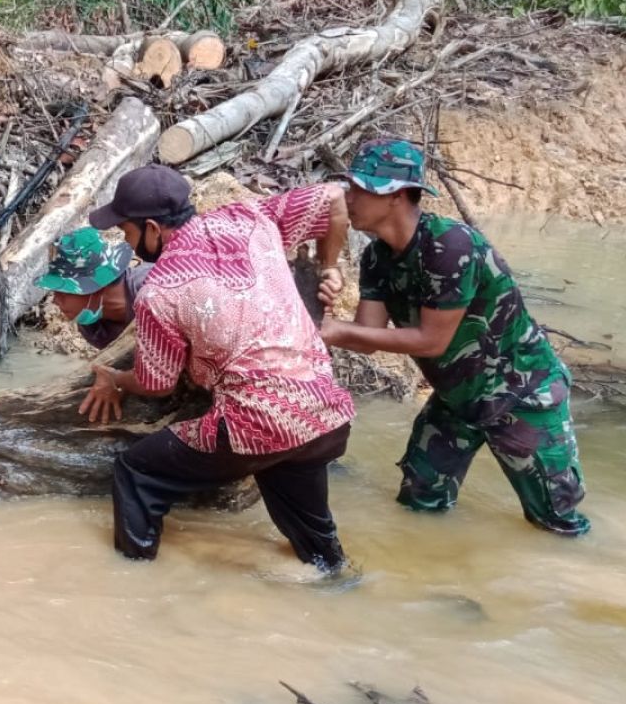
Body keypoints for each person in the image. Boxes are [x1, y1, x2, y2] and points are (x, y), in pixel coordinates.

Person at [82, 164, 356, 572]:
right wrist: (328, 265)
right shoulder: (250, 217)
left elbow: (155, 384)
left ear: (153, 228)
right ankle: (341, 585)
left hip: (257, 424)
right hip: (327, 418)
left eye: (128, 232)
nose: (132, 247)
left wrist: (112, 378)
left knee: (135, 471)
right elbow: (334, 197)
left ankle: (132, 577)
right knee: (316, 542)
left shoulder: (160, 291)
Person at [319, 138, 589, 535]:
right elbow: (368, 338)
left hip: (523, 394)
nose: (349, 197)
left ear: (394, 196)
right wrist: (326, 309)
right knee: (418, 501)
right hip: (458, 398)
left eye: (359, 189)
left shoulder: (449, 245)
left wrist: (334, 330)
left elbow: (432, 341)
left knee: (556, 522)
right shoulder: (377, 257)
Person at [35, 226, 151, 348]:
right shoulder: (94, 330)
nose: (55, 301)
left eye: (64, 292)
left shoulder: (153, 290)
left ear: (96, 288)